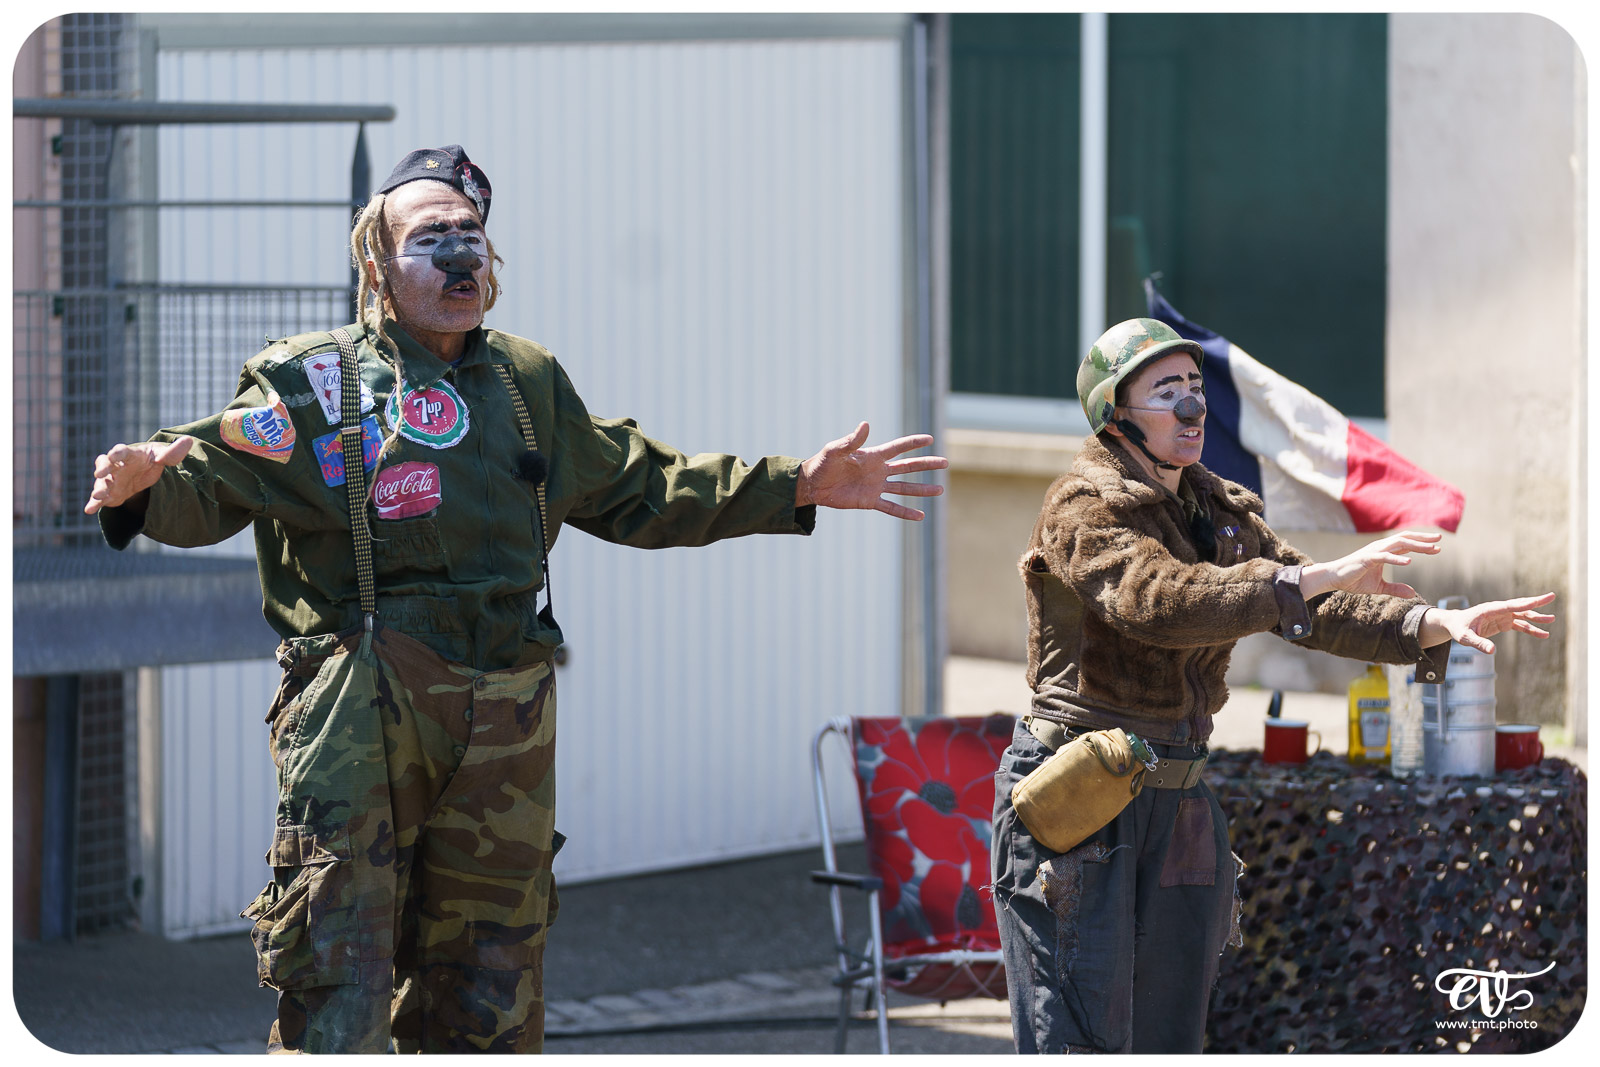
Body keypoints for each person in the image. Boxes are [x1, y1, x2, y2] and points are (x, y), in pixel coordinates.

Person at [83, 145, 948, 1054]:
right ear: (375, 265)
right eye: (431, 238)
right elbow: (209, 475)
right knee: (340, 971)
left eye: (472, 234)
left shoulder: (526, 383)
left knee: (490, 983)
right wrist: (142, 487)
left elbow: (642, 485)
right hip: (361, 711)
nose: (460, 256)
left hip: (507, 714)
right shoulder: (312, 381)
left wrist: (797, 484)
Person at [989, 317, 1556, 1054]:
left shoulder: (1216, 508)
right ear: (1115, 414)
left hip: (1178, 799)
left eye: (1196, 387)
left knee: (1170, 1040)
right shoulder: (1083, 504)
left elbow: (1309, 607)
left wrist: (1427, 624)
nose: (1194, 408)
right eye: (1169, 392)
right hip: (1081, 800)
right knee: (1079, 1038)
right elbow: (1162, 600)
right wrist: (1307, 577)